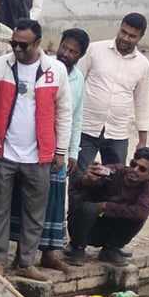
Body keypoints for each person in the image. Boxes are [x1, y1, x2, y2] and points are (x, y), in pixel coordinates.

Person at [0, 19, 71, 279]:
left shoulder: (55, 70)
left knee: (35, 213)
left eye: (23, 45)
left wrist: (61, 150)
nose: (17, 49)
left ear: (37, 43)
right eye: (14, 43)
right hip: (5, 151)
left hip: (40, 154)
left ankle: (25, 262)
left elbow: (64, 112)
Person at [70, 12, 149, 176]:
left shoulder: (143, 64)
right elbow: (75, 84)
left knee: (114, 182)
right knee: (79, 180)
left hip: (118, 133)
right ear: (119, 28)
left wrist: (142, 140)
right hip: (86, 128)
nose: (126, 38)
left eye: (132, 36)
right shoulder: (94, 49)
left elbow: (142, 102)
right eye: (123, 32)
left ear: (140, 37)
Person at [40, 27, 91, 273]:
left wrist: (72, 151)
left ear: (80, 56)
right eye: (64, 47)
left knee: (56, 201)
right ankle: (24, 255)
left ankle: (50, 253)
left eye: (73, 52)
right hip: (39, 145)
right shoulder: (45, 67)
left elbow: (76, 115)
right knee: (34, 200)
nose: (66, 53)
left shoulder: (79, 78)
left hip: (62, 149)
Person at [72, 147, 149, 265]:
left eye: (142, 169)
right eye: (133, 164)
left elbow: (141, 212)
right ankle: (78, 248)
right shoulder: (114, 171)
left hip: (112, 228)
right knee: (88, 208)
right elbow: (78, 185)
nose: (135, 170)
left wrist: (105, 206)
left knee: (139, 216)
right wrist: (87, 179)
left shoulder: (147, 186)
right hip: (86, 226)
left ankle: (110, 249)